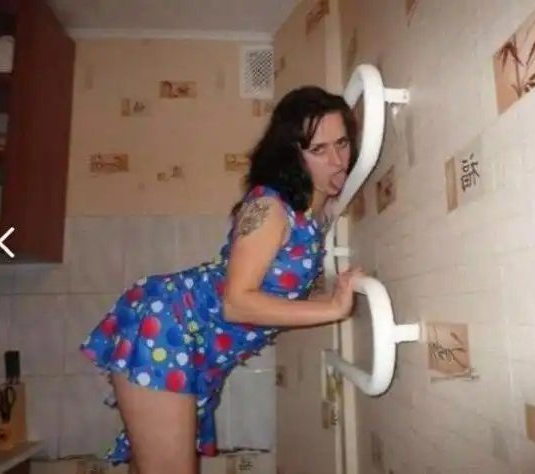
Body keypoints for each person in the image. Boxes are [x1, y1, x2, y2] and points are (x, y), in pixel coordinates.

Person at [79, 85, 363, 474]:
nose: (338, 161)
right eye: (319, 149)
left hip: (195, 347)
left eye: (342, 143)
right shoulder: (269, 206)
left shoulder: (307, 216)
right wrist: (332, 308)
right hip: (168, 324)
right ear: (293, 154)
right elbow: (237, 302)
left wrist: (336, 294)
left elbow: (276, 297)